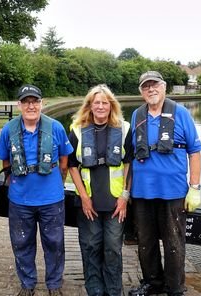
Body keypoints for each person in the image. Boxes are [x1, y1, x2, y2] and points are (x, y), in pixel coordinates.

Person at [128, 71, 201, 296]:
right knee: (145, 241)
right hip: (142, 191)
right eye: (146, 86)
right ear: (141, 91)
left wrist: (195, 188)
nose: (151, 89)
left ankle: (175, 287)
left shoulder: (181, 113)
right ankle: (153, 282)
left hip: (173, 192)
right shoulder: (136, 115)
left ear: (164, 87)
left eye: (155, 85)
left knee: (173, 242)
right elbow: (130, 154)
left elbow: (195, 152)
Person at [0, 84, 73, 296]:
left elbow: (65, 159)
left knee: (55, 243)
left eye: (35, 101)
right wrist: (13, 180)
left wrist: (59, 180)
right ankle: (27, 283)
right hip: (20, 200)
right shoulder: (8, 130)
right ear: (19, 105)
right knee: (21, 243)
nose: (31, 106)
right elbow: (5, 160)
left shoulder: (56, 127)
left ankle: (54, 283)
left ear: (42, 103)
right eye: (26, 102)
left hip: (51, 200)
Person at [68, 84, 133, 296]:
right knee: (90, 246)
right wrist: (84, 198)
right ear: (90, 105)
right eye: (97, 102)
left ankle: (114, 290)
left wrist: (124, 196)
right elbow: (71, 165)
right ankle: (94, 290)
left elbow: (129, 165)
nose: (101, 106)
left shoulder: (124, 129)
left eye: (105, 102)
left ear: (111, 105)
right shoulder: (77, 130)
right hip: (88, 203)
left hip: (115, 203)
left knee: (113, 248)